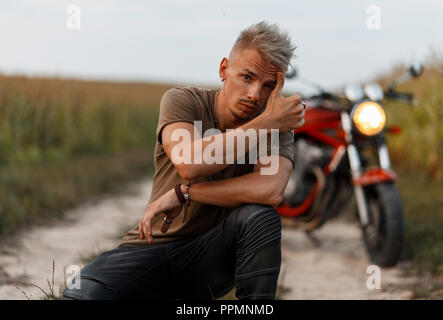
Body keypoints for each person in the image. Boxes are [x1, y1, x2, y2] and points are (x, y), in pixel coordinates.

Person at [62, 21, 305, 300]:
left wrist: (186, 193)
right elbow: (190, 162)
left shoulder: (276, 127)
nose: (255, 95)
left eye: (269, 86)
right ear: (224, 69)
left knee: (261, 218)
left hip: (211, 257)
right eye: (247, 78)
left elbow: (269, 190)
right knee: (82, 295)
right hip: (153, 247)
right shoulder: (183, 101)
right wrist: (267, 121)